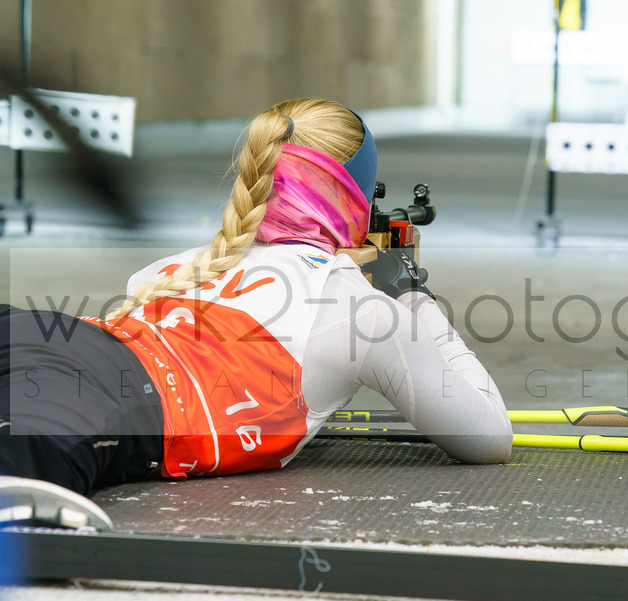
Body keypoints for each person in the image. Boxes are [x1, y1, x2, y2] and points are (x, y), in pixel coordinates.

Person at [0, 98, 513, 530]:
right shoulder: (367, 315)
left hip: (53, 336)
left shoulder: (181, 265)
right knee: (20, 494)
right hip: (110, 399)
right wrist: (410, 293)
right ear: (354, 200)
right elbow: (488, 436)